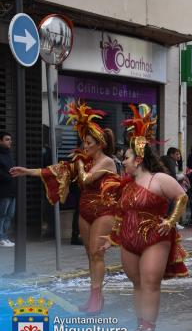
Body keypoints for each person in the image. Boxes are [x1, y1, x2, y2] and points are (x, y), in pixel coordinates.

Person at [11, 101, 119, 313]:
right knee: (89, 254)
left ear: (100, 144)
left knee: (97, 254)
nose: (85, 146)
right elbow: (56, 171)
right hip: (85, 210)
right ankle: (94, 296)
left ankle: (97, 299)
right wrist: (28, 172)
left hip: (103, 211)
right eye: (84, 142)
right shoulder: (84, 160)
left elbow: (87, 179)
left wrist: (78, 164)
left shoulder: (106, 161)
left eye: (88, 143)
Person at [100, 104, 188, 331]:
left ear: (138, 160)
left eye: (126, 158)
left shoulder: (159, 179)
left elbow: (182, 197)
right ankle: (140, 326)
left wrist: (170, 221)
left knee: (150, 282)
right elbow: (120, 213)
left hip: (155, 238)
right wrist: (112, 238)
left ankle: (149, 329)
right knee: (137, 283)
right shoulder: (126, 185)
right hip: (129, 240)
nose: (122, 161)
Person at [0, 131, 16, 247]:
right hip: (3, 190)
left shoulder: (9, 153)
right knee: (2, 214)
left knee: (10, 214)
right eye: (7, 139)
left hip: (11, 189)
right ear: (0, 141)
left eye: (10, 139)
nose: (10, 141)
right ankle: (1, 238)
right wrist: (8, 176)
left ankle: (4, 236)